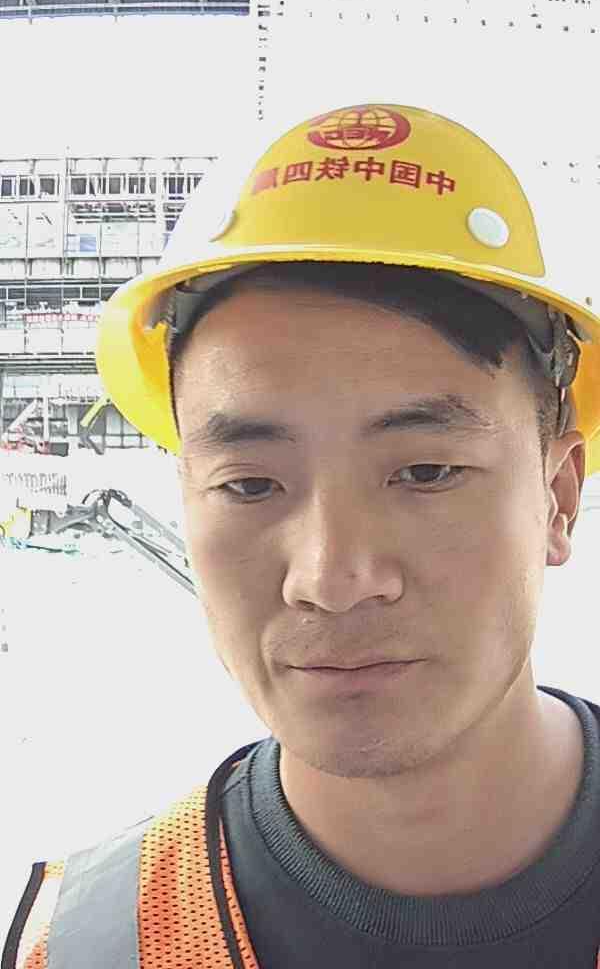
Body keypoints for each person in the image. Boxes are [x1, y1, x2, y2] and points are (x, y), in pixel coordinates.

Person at [5, 103, 600, 969]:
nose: (331, 577)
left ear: (557, 497)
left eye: (425, 472)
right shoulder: (86, 948)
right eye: (250, 485)